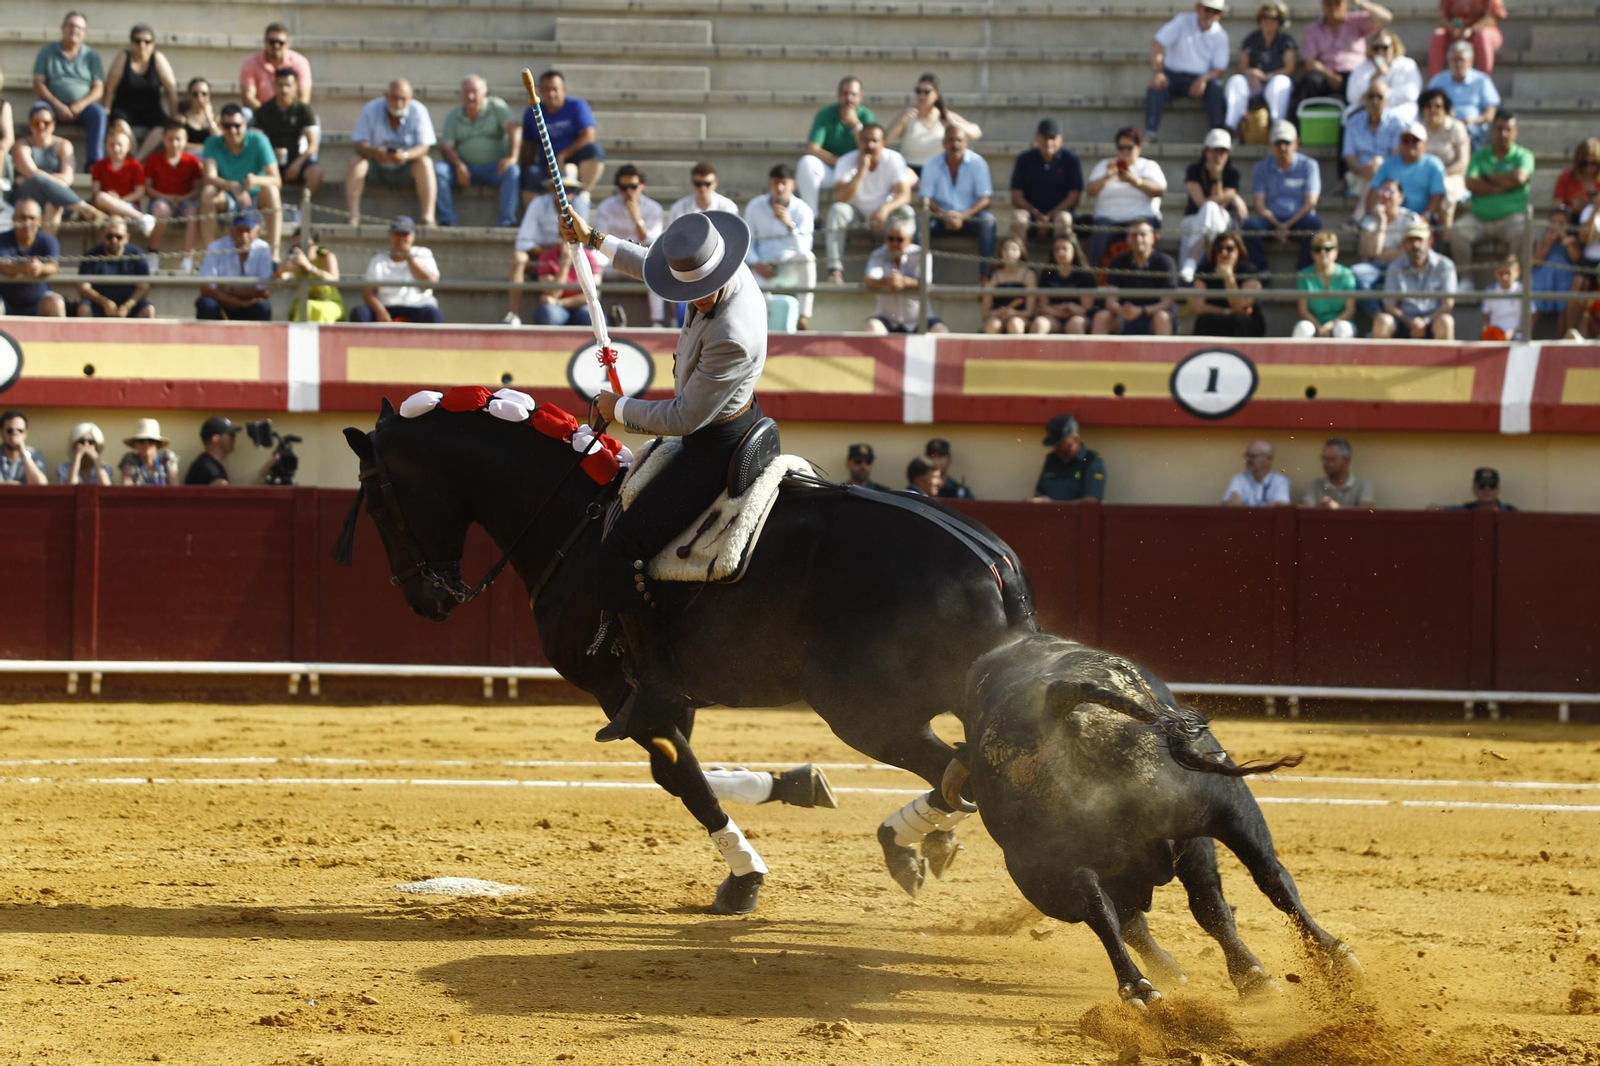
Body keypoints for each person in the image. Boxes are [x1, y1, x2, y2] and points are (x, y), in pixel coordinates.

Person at [557, 206, 768, 750]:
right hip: (720, 421)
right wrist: (596, 238)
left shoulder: (732, 334)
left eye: (692, 292)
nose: (685, 298)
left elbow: (683, 419)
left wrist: (616, 405)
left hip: (712, 444)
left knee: (621, 544)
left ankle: (656, 684)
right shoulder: (723, 271)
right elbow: (657, 264)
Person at [824, 124, 916, 282]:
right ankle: (834, 270)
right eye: (865, 141)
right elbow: (841, 197)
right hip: (857, 215)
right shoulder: (846, 161)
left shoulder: (893, 159)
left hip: (885, 217)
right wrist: (861, 170)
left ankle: (909, 269)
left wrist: (885, 210)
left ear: (883, 143)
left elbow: (904, 194)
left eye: (874, 141)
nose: (869, 145)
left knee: (906, 212)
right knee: (837, 210)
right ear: (859, 142)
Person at [1452, 112, 1533, 286]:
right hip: (1478, 218)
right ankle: (1465, 280)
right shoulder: (1479, 156)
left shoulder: (1524, 155)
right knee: (1457, 230)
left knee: (1523, 228)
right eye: (1499, 129)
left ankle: (1513, 281)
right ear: (1492, 131)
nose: (1503, 134)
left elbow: (1519, 178)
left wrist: (1488, 178)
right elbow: (1471, 183)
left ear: (1515, 132)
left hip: (1510, 219)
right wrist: (1506, 183)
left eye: (1508, 130)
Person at [505, 163, 591, 326]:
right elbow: (523, 243)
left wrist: (561, 253)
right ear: (553, 189)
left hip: (572, 256)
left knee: (589, 262)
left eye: (571, 190)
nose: (567, 194)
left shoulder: (581, 205)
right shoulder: (538, 203)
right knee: (518, 258)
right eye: (562, 189)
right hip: (543, 259)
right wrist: (552, 253)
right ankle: (513, 314)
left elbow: (584, 241)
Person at [434, 74, 520, 228]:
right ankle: (447, 220)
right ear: (461, 94)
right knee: (439, 170)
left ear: (485, 93)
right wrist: (458, 165)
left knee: (513, 170)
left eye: (474, 92)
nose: (470, 96)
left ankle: (506, 221)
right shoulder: (453, 116)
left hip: (495, 168)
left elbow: (514, 128)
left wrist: (512, 156)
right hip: (465, 170)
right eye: (466, 92)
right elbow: (447, 147)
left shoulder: (496, 106)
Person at [347, 80, 437, 227]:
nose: (399, 103)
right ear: (386, 96)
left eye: (403, 99)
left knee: (425, 163)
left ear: (411, 98)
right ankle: (353, 217)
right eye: (395, 97)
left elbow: (425, 146)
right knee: (356, 161)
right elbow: (358, 142)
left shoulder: (419, 111)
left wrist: (405, 155)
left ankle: (428, 218)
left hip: (406, 168)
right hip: (376, 166)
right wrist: (375, 151)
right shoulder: (371, 109)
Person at [202, 103, 283, 258]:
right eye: (227, 126)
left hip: (255, 198)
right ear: (221, 126)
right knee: (208, 193)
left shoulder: (259, 140)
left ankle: (274, 254)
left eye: (237, 125)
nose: (232, 130)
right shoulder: (212, 142)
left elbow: (276, 180)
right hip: (227, 198)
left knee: (272, 191)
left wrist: (256, 180)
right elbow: (209, 177)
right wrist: (233, 186)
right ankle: (209, 256)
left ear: (245, 125)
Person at [744, 163, 818, 331]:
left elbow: (805, 248)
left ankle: (803, 317)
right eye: (776, 182)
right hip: (762, 265)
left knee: (808, 258)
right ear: (769, 183)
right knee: (748, 278)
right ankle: (757, 326)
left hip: (789, 265)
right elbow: (748, 241)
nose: (780, 187)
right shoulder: (755, 206)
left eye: (784, 182)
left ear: (794, 185)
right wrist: (757, 263)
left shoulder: (803, 210)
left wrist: (789, 225)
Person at [11, 102, 104, 229]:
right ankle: (82, 207)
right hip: (29, 197)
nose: (41, 126)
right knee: (37, 179)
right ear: (30, 124)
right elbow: (33, 173)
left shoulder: (63, 144)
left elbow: (68, 178)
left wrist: (31, 178)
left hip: (60, 200)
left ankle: (47, 246)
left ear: (53, 124)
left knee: (52, 204)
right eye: (36, 123)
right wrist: (37, 178)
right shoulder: (21, 145)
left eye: (46, 123)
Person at [1243, 121, 1322, 272]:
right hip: (1271, 222)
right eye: (1278, 143)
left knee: (1314, 227)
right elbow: (1259, 205)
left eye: (1286, 142)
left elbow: (1310, 203)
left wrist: (1287, 225)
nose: (1282, 147)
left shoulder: (1309, 165)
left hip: (1299, 221)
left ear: (1296, 143)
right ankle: (1260, 271)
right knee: (1249, 228)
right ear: (1271, 145)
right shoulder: (1261, 167)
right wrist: (1278, 225)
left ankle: (1304, 271)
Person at [1146, 0, 1230, 140]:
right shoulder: (1181, 21)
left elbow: (1220, 69)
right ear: (1198, 8)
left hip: (1200, 79)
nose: (1210, 14)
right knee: (1156, 86)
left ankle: (1217, 136)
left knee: (1216, 88)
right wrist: (1158, 72)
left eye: (1215, 12)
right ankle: (1150, 132)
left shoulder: (1221, 36)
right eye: (1207, 9)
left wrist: (1203, 79)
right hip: (1172, 76)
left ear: (1219, 15)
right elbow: (1157, 43)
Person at [32, 11, 109, 164]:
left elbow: (98, 88)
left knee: (99, 113)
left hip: (83, 109)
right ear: (62, 28)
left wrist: (79, 106)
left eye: (79, 27)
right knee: (38, 110)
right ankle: (37, 159)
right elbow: (38, 83)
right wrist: (57, 105)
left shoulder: (92, 56)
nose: (75, 30)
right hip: (53, 106)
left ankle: (94, 163)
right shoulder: (46, 53)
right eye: (71, 25)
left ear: (84, 33)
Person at [1084, 128, 1167, 268]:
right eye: (1121, 148)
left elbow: (1160, 191)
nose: (1125, 152)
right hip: (1108, 219)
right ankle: (1090, 279)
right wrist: (1107, 176)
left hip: (1142, 217)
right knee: (1099, 237)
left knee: (1142, 235)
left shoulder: (1148, 166)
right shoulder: (1105, 165)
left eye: (1129, 147)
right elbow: (1090, 191)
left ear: (1139, 147)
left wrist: (1135, 181)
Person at [519, 70, 605, 207]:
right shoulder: (532, 113)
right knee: (530, 174)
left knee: (595, 150)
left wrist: (562, 156)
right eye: (546, 90)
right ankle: (534, 216)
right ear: (540, 92)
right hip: (546, 166)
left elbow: (589, 135)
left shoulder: (577, 106)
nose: (551, 94)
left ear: (564, 90)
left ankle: (582, 194)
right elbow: (529, 145)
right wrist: (523, 169)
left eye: (554, 89)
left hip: (574, 164)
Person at [596, 166, 667, 326]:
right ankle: (593, 316)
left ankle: (657, 321)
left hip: (640, 259)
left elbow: (651, 241)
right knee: (594, 261)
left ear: (642, 186)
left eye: (633, 187)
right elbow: (600, 239)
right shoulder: (606, 207)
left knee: (657, 266)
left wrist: (636, 218)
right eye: (623, 187)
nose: (629, 192)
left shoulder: (653, 208)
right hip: (611, 258)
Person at [922, 126, 996, 277]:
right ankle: (920, 276)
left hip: (969, 217)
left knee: (988, 221)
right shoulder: (931, 164)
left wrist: (962, 215)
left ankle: (986, 276)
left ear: (966, 143)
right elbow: (925, 199)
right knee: (919, 223)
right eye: (950, 140)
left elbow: (985, 199)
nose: (955, 144)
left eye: (959, 140)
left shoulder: (978, 163)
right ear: (943, 143)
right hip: (940, 217)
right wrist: (945, 215)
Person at [796, 76, 875, 216]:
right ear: (839, 94)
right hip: (832, 169)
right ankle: (812, 218)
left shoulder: (867, 116)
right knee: (806, 163)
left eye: (853, 94)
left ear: (861, 96)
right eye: (845, 94)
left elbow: (869, 150)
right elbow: (812, 148)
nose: (849, 98)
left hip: (855, 172)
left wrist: (856, 126)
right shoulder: (825, 114)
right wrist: (840, 162)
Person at [1179, 128, 1246, 282]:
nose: (1220, 155)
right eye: (1216, 150)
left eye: (1224, 151)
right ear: (1207, 151)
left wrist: (1218, 178)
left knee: (1211, 211)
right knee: (1209, 210)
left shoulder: (1232, 173)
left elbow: (1220, 206)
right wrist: (1232, 196)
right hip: (1196, 219)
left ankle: (1192, 260)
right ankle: (1215, 264)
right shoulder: (1194, 170)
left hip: (1220, 219)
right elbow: (1201, 203)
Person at [350, 216, 443, 324]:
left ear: (413, 236)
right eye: (397, 234)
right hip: (386, 307)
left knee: (433, 315)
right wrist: (381, 311)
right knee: (359, 313)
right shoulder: (378, 259)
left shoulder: (423, 254)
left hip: (418, 307)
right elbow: (368, 293)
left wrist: (409, 257)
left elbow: (431, 283)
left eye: (405, 234)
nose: (401, 239)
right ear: (391, 235)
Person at [103, 23, 176, 160]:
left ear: (152, 44)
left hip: (151, 110)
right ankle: (137, 159)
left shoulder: (158, 59)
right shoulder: (123, 57)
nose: (142, 45)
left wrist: (175, 116)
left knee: (162, 129)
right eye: (137, 41)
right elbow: (110, 88)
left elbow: (171, 89)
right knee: (120, 124)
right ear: (131, 43)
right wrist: (106, 111)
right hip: (124, 109)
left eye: (147, 42)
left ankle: (137, 160)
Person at [1374, 219, 1456, 339]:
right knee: (1382, 321)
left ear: (1430, 242)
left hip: (1432, 322)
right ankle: (1380, 358)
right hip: (1403, 323)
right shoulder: (1395, 266)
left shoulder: (1445, 265)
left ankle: (1448, 358)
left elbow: (1448, 304)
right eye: (1410, 240)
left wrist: (1425, 321)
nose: (1415, 245)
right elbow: (1389, 305)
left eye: (1419, 240)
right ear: (1404, 244)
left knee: (1445, 322)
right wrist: (1409, 322)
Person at [1298, 0, 1393, 101]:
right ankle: (1294, 116)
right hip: (1325, 75)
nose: (1333, 7)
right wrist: (1329, 75)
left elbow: (1386, 18)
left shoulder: (1356, 21)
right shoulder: (1313, 29)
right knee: (1309, 81)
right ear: (1323, 5)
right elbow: (1310, 62)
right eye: (1329, 3)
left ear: (1345, 4)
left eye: (1338, 2)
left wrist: (1359, 3)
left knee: (1362, 84)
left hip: (1354, 73)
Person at [1008, 118, 1082, 247]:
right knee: (1018, 218)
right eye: (1044, 137)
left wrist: (1048, 217)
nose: (1049, 142)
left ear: (1060, 139)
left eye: (1053, 137)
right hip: (1031, 215)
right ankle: (1018, 266)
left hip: (1059, 213)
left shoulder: (1071, 159)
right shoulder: (1024, 159)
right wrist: (1037, 216)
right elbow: (1016, 197)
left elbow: (1073, 198)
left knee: (1063, 219)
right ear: (1037, 138)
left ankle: (1061, 266)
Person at [884, 73, 983, 171]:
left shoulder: (945, 115)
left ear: (937, 95)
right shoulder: (908, 115)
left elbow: (976, 133)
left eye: (926, 92)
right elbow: (886, 140)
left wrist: (954, 124)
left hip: (938, 170)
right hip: (910, 169)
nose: (921, 95)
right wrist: (901, 123)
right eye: (918, 91)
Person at [1093, 220, 1176, 336]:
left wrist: (1141, 311)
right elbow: (1111, 301)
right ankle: (1096, 354)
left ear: (1153, 238)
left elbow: (1167, 303)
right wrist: (1123, 311)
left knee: (1162, 317)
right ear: (1127, 239)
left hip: (1152, 317)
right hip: (1124, 317)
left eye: (1142, 235)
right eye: (1134, 235)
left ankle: (1166, 355)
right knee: (1102, 317)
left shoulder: (1165, 262)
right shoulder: (1117, 262)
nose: (1138, 239)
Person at [863, 220, 946, 333]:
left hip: (920, 320)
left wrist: (903, 282)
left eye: (900, 239)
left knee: (941, 331)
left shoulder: (921, 254)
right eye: (891, 239)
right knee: (871, 328)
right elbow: (868, 280)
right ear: (885, 239)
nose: (894, 243)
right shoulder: (878, 254)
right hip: (888, 320)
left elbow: (924, 282)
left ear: (909, 240)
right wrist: (888, 282)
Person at [1224, 1, 1296, 133]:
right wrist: (1251, 73)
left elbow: (1290, 68)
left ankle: (1278, 127)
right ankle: (1231, 127)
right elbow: (1242, 65)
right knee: (1236, 81)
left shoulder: (1285, 40)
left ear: (1279, 21)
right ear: (1260, 19)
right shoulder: (1251, 39)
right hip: (1254, 84)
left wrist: (1267, 76)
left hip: (1274, 82)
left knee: (1280, 82)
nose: (1268, 22)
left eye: (1273, 18)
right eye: (1265, 17)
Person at [252, 68, 322, 199]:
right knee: (251, 174)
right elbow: (255, 143)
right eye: (280, 85)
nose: (284, 90)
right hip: (268, 159)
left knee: (316, 173)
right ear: (274, 85)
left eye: (288, 85)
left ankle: (301, 211)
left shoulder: (304, 110)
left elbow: (313, 145)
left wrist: (297, 164)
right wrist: (271, 156)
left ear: (295, 87)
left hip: (296, 158)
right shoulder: (263, 111)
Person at [144, 121, 203, 272]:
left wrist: (183, 198)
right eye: (170, 139)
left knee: (193, 212)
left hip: (184, 201)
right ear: (163, 139)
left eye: (179, 139)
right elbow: (148, 187)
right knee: (162, 211)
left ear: (185, 140)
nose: (175, 143)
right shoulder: (153, 159)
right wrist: (166, 197)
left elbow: (197, 188)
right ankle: (153, 252)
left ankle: (187, 258)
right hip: (161, 200)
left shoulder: (192, 161)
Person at [196, 211, 274, 321]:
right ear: (231, 231)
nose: (243, 236)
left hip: (246, 304)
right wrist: (242, 303)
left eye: (248, 231)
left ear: (257, 233)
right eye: (239, 230)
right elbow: (206, 289)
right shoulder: (216, 247)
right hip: (224, 304)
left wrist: (229, 290)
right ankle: (206, 338)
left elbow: (264, 292)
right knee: (207, 305)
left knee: (262, 308)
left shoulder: (263, 249)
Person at [1353, 178, 1423, 296]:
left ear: (1401, 197)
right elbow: (1366, 253)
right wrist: (1381, 221)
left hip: (1403, 266)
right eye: (1382, 191)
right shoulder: (1369, 220)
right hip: (1375, 268)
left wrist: (1378, 254)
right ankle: (1377, 313)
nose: (1385, 195)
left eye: (1390, 191)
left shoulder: (1410, 219)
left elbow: (1407, 252)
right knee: (1357, 273)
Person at [1365, 121, 1446, 219]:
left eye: (1415, 140)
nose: (1410, 144)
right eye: (1406, 140)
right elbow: (1374, 190)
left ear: (1425, 144)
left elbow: (1437, 195)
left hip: (1420, 221)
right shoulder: (1388, 164)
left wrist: (1426, 217)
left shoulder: (1434, 165)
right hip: (1390, 220)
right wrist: (1371, 216)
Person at [1342, 78, 1405, 204]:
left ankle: (1357, 218)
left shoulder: (1396, 123)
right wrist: (1363, 169)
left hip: (1388, 175)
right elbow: (1349, 156)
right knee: (1372, 179)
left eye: (1379, 97)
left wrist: (1378, 168)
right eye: (1371, 96)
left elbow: (1395, 156)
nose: (1375, 101)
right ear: (1365, 99)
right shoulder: (1353, 122)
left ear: (1387, 101)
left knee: (1376, 174)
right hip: (1360, 173)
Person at [1191, 231, 1266, 336]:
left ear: (1238, 251)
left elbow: (1241, 306)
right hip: (1216, 319)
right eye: (1219, 249)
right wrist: (1227, 311)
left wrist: (1228, 277)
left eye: (1229, 249)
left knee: (1241, 320)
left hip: (1246, 323)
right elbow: (1198, 307)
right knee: (1203, 320)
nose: (1224, 253)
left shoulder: (1248, 271)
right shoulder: (1205, 271)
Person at [75, 218, 153, 318]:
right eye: (109, 236)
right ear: (102, 236)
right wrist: (104, 302)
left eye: (119, 237)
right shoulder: (91, 256)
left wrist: (127, 306)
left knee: (148, 310)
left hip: (129, 305)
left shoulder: (137, 255)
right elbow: (83, 288)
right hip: (98, 305)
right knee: (84, 308)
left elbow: (143, 288)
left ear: (126, 238)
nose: (114, 240)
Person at [1426, 41, 1499, 147]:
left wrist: (1473, 120)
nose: (1458, 64)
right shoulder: (1438, 81)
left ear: (1471, 61)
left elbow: (1491, 113)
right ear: (1448, 61)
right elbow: (1426, 106)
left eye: (1462, 60)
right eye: (1454, 60)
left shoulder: (1482, 80)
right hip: (1444, 125)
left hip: (1474, 127)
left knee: (1467, 133)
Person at [0, 200, 65, 318]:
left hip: (38, 303)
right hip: (5, 302)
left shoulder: (48, 241)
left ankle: (59, 338)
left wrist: (40, 268)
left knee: (55, 303)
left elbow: (53, 266)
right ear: (14, 219)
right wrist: (25, 267)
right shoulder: (2, 239)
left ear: (40, 220)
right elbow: (2, 265)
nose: (27, 222)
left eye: (32, 218)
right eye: (23, 217)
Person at [1344, 30, 1421, 126]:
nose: (1380, 52)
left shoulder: (1407, 65)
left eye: (1385, 48)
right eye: (1376, 48)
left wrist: (1381, 97)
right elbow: (1353, 96)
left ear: (1393, 48)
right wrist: (1376, 76)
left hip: (1400, 114)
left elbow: (1411, 93)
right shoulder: (1362, 68)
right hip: (1368, 115)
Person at [90, 126, 157, 236]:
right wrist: (112, 200)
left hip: (129, 205)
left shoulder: (135, 165)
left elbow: (140, 192)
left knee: (116, 218)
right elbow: (96, 192)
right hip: (106, 204)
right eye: (112, 145)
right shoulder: (99, 166)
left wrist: (120, 200)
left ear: (128, 147)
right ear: (106, 146)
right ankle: (141, 218)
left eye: (120, 145)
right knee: (101, 197)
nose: (116, 149)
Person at [1030, 234, 1098, 334]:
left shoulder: (1085, 275)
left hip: (1077, 318)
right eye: (1057, 249)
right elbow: (1042, 307)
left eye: (1064, 248)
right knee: (1039, 324)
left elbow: (1085, 310)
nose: (1060, 252)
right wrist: (1066, 306)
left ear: (1074, 251)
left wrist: (1064, 307)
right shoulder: (1047, 273)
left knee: (1075, 324)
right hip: (1053, 317)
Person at [1294, 232, 1358, 336]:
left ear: (1336, 251)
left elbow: (1350, 309)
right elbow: (1302, 310)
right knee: (1303, 327)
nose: (1323, 253)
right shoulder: (1304, 275)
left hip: (1340, 324)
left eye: (1328, 249)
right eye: (1317, 249)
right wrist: (1319, 327)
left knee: (1343, 327)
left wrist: (1331, 325)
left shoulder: (1346, 274)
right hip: (1314, 325)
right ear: (1312, 253)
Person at [1418, 89, 1471, 214]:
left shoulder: (1456, 128)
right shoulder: (1418, 128)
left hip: (1451, 175)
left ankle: (1445, 232)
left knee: (1445, 190)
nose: (1432, 110)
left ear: (1445, 109)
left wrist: (1440, 175)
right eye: (1428, 106)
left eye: (1437, 106)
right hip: (1422, 175)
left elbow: (1462, 162)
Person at [1032, 413, 1105, 502]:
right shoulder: (1052, 459)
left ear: (1075, 439)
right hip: (1047, 515)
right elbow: (1039, 493)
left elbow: (1092, 501)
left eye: (1061, 443)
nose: (1056, 447)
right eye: (1054, 444)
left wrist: (1053, 504)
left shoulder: (1091, 462)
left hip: (1078, 516)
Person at [185, 416, 278, 485]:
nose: (234, 438)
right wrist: (262, 472)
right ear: (215, 439)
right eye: (231, 434)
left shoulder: (210, 464)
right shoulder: (206, 466)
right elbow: (227, 491)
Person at [240, 24, 313, 112]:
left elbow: (304, 98)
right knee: (245, 113)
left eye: (280, 42)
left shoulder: (300, 62)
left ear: (287, 43)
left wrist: (289, 116)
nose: (276, 46)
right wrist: (268, 115)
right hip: (261, 113)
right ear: (265, 42)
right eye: (272, 42)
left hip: (292, 114)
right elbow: (248, 97)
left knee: (309, 118)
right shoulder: (251, 62)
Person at [531, 240, 605, 327]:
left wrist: (558, 302)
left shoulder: (590, 257)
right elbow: (554, 293)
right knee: (548, 314)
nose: (570, 241)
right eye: (566, 236)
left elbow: (593, 295)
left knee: (594, 317)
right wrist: (565, 261)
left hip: (579, 306)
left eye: (575, 237)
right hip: (555, 309)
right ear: (559, 237)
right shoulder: (547, 257)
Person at [1428, 0, 1505, 79]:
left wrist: (1471, 30)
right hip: (1456, 33)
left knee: (1482, 36)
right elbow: (1442, 16)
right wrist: (1452, 29)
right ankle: (1434, 83)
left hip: (1485, 32)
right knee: (1438, 35)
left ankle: (1484, 81)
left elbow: (1491, 16)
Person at [279, 233, 343, 322]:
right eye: (298, 246)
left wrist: (310, 268)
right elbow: (277, 283)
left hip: (329, 302)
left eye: (306, 245)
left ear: (316, 246)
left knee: (322, 311)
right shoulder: (295, 259)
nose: (301, 249)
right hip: (303, 302)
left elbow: (334, 280)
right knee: (304, 307)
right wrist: (282, 270)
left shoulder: (326, 256)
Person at [981, 236, 1035, 334]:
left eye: (1014, 249)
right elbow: (985, 313)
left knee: (1014, 324)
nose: (1009, 253)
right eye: (1006, 249)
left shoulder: (1028, 275)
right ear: (1000, 253)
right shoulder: (993, 275)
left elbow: (1030, 312)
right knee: (992, 325)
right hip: (998, 316)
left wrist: (1014, 313)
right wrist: (997, 312)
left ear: (1021, 252)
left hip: (1020, 317)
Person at [1302, 438, 1374, 507]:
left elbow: (1367, 511)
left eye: (1331, 459)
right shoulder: (1316, 485)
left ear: (1345, 460)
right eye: (1324, 458)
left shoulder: (1362, 485)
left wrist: (1336, 508)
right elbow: (1305, 509)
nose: (1325, 463)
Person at [1222, 439, 1291, 506]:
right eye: (1247, 455)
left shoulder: (1280, 481)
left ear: (1268, 459)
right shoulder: (1239, 479)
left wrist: (1243, 507)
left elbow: (1281, 508)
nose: (1248, 460)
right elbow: (1228, 504)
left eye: (1252, 456)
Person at [117, 418, 179, 486]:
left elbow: (175, 488)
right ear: (135, 444)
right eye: (141, 440)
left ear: (158, 444)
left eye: (151, 440)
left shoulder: (167, 457)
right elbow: (126, 489)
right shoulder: (130, 459)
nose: (146, 445)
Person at [0, 410, 49, 485]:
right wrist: (8, 485)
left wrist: (23, 452)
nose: (15, 434)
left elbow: (41, 484)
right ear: (2, 432)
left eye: (20, 431)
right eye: (10, 431)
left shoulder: (35, 454)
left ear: (25, 433)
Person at [1553, 138, 1600, 215]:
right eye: (1585, 163)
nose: (1589, 168)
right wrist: (1572, 208)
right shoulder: (1566, 177)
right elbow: (1557, 207)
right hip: (1572, 221)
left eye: (1593, 163)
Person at [176, 78, 220, 148]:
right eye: (195, 94)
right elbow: (178, 144)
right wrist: (205, 147)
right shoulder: (182, 119)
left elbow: (220, 141)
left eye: (204, 94)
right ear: (189, 95)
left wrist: (209, 119)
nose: (200, 98)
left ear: (209, 96)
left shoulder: (216, 119)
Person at [1447, 466, 1515, 510]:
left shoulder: (1511, 511)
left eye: (1492, 486)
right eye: (1481, 486)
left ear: (1498, 489)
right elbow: (1439, 509)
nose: (1487, 490)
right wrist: (1437, 508)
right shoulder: (1466, 510)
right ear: (1474, 489)